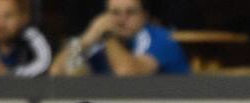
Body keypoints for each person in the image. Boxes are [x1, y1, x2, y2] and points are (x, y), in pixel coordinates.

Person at [49, 0, 190, 76]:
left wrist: (108, 35)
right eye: (115, 13)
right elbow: (57, 73)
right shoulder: (98, 40)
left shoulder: (162, 39)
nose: (122, 20)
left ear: (144, 15)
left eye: (130, 12)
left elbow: (127, 74)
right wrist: (86, 39)